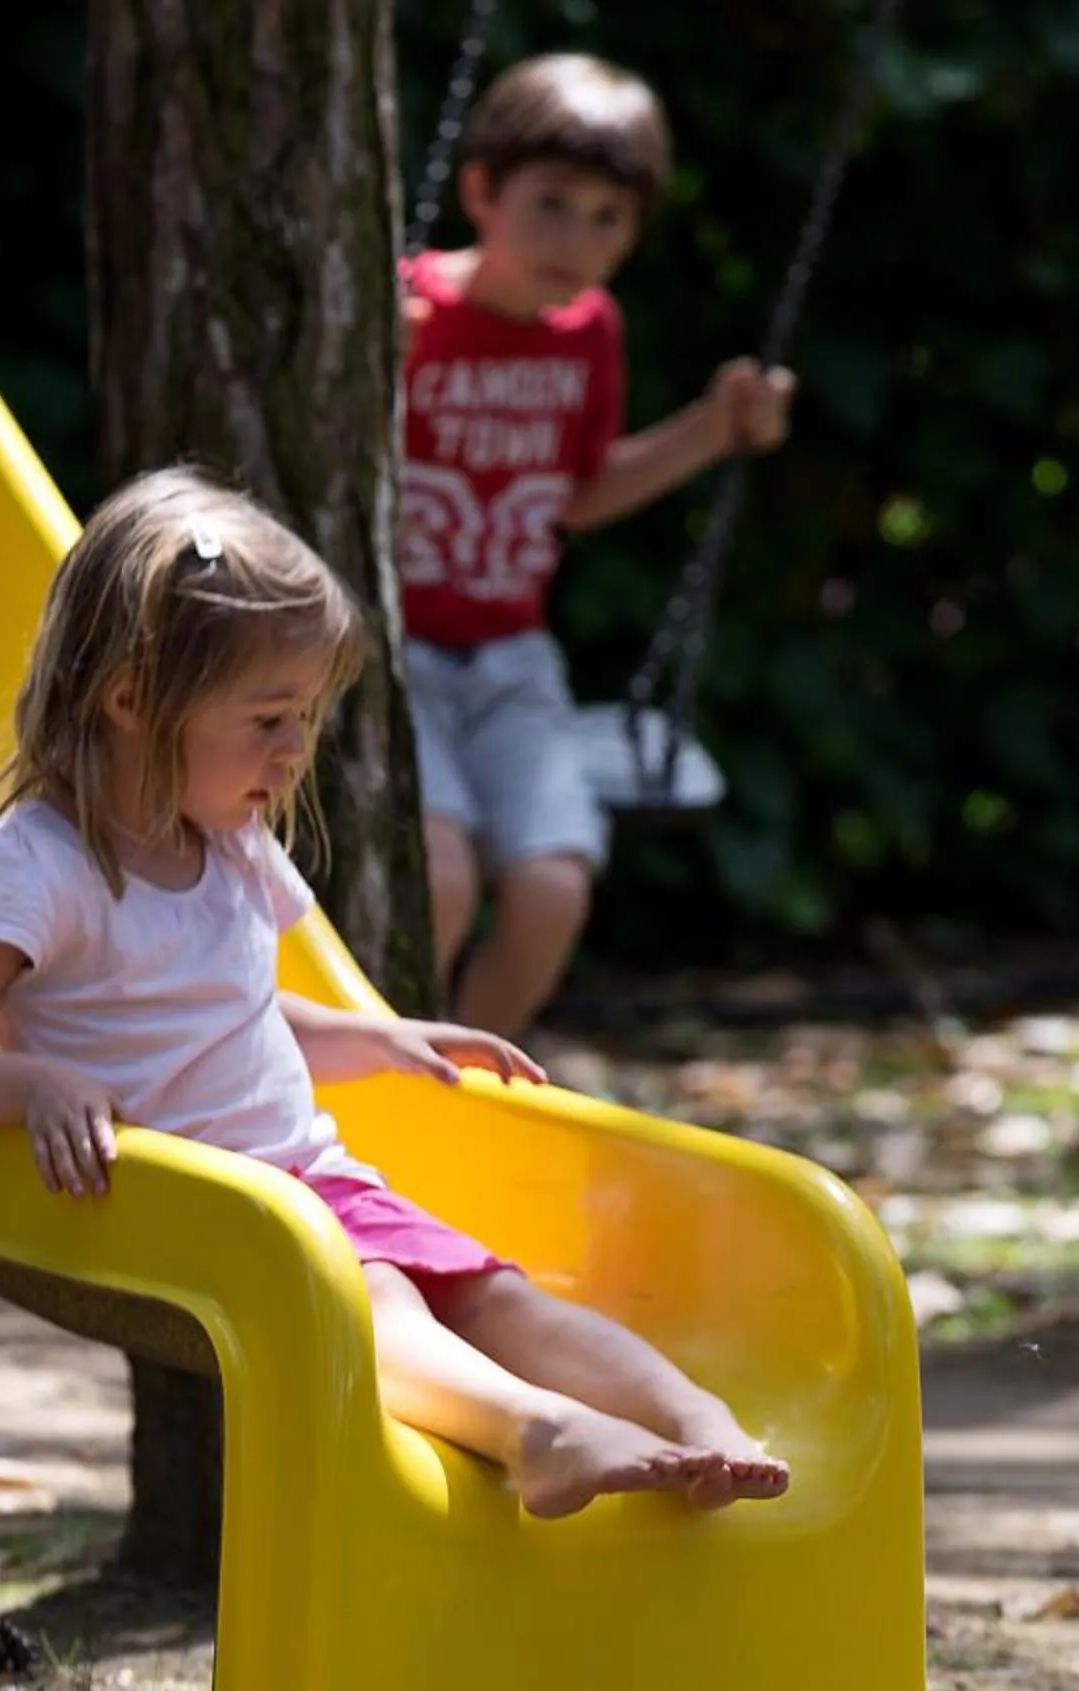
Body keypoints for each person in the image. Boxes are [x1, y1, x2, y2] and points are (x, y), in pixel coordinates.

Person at [0, 467, 788, 1522]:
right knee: (380, 1294)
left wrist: (382, 1038)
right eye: (267, 718)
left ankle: (697, 1419)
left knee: (492, 1291)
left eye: (303, 717)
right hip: (178, 1200)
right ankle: (536, 1433)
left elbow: (237, 1014)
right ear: (129, 697)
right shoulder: (38, 865)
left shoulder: (226, 842)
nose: (294, 751)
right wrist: (32, 1086)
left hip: (303, 1178)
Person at [401, 53, 795, 1040]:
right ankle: (382, 1083)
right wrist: (376, 363)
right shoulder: (407, 309)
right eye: (551, 204)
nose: (575, 239)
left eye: (606, 217)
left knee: (550, 890)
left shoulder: (588, 333)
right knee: (438, 880)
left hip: (508, 659)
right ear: (481, 190)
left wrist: (709, 429)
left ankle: (466, 1088)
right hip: (386, 653)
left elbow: (577, 498)